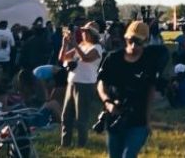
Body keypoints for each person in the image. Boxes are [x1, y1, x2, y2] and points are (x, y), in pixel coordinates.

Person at [96, 21, 166, 158]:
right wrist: (108, 102)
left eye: (139, 42)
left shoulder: (149, 61)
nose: (134, 46)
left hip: (137, 118)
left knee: (128, 155)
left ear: (146, 41)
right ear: (126, 38)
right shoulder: (113, 59)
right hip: (115, 115)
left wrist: (147, 120)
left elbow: (151, 90)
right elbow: (101, 83)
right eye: (131, 41)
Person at [59, 21, 104, 148]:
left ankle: (81, 145)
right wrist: (65, 44)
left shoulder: (97, 48)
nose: (83, 34)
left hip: (86, 84)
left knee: (81, 118)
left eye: (85, 32)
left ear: (92, 34)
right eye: (83, 31)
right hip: (72, 82)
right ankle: (65, 144)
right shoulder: (82, 45)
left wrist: (75, 45)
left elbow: (86, 58)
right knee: (66, 116)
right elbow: (63, 58)